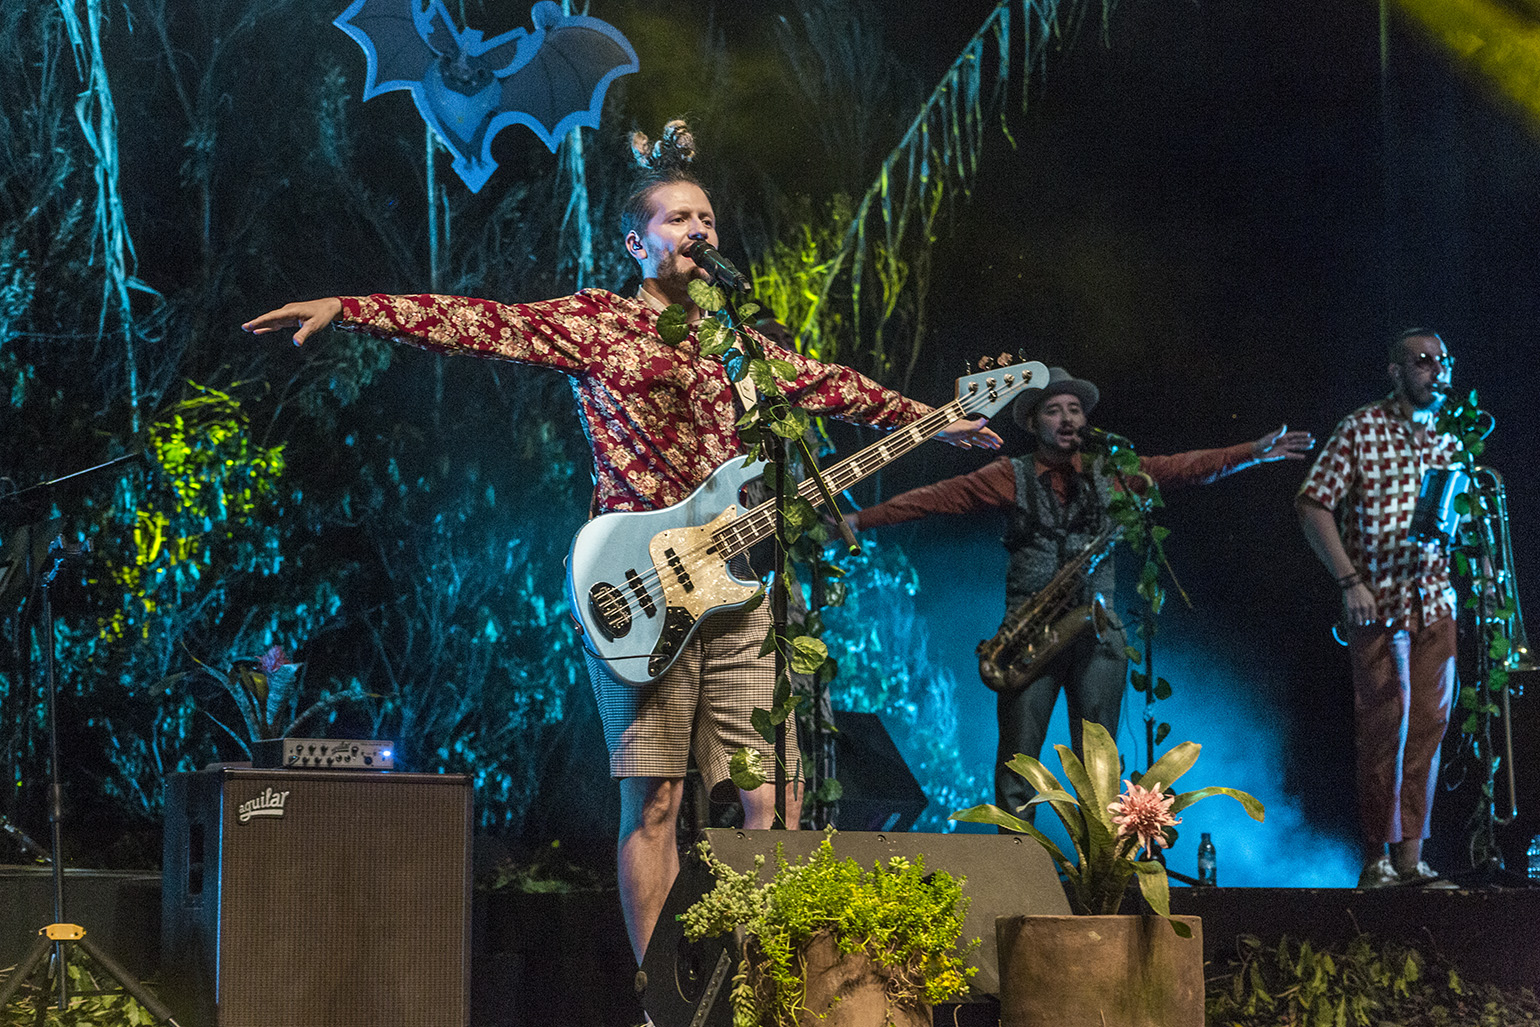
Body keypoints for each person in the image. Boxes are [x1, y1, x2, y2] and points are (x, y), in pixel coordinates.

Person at [241, 121, 1000, 964]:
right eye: (679, 219)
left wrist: (937, 420)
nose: (699, 232)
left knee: (776, 799)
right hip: (640, 584)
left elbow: (832, 385)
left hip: (743, 585)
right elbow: (478, 321)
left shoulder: (738, 344)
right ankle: (662, 997)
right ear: (636, 243)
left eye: (707, 219)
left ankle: (762, 986)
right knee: (656, 801)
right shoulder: (599, 323)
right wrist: (351, 309)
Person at [846, 366, 1313, 820]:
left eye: (1075, 409)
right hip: (1029, 632)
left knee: (1100, 768)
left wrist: (1254, 451)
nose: (1068, 418)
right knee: (1019, 762)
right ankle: (1013, 867)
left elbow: (1182, 468)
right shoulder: (1011, 473)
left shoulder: (1110, 471)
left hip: (1097, 629)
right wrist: (860, 520)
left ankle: (1101, 878)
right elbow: (938, 497)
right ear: (1033, 423)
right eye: (1054, 410)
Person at [1296, 329, 1460, 888]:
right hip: (1378, 601)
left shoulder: (1450, 437)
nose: (1436, 370)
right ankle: (1376, 858)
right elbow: (1313, 501)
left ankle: (1412, 858)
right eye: (1423, 361)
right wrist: (1348, 580)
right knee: (1384, 725)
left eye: (1442, 361)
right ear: (1394, 370)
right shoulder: (1361, 427)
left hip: (1434, 601)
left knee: (1429, 727)